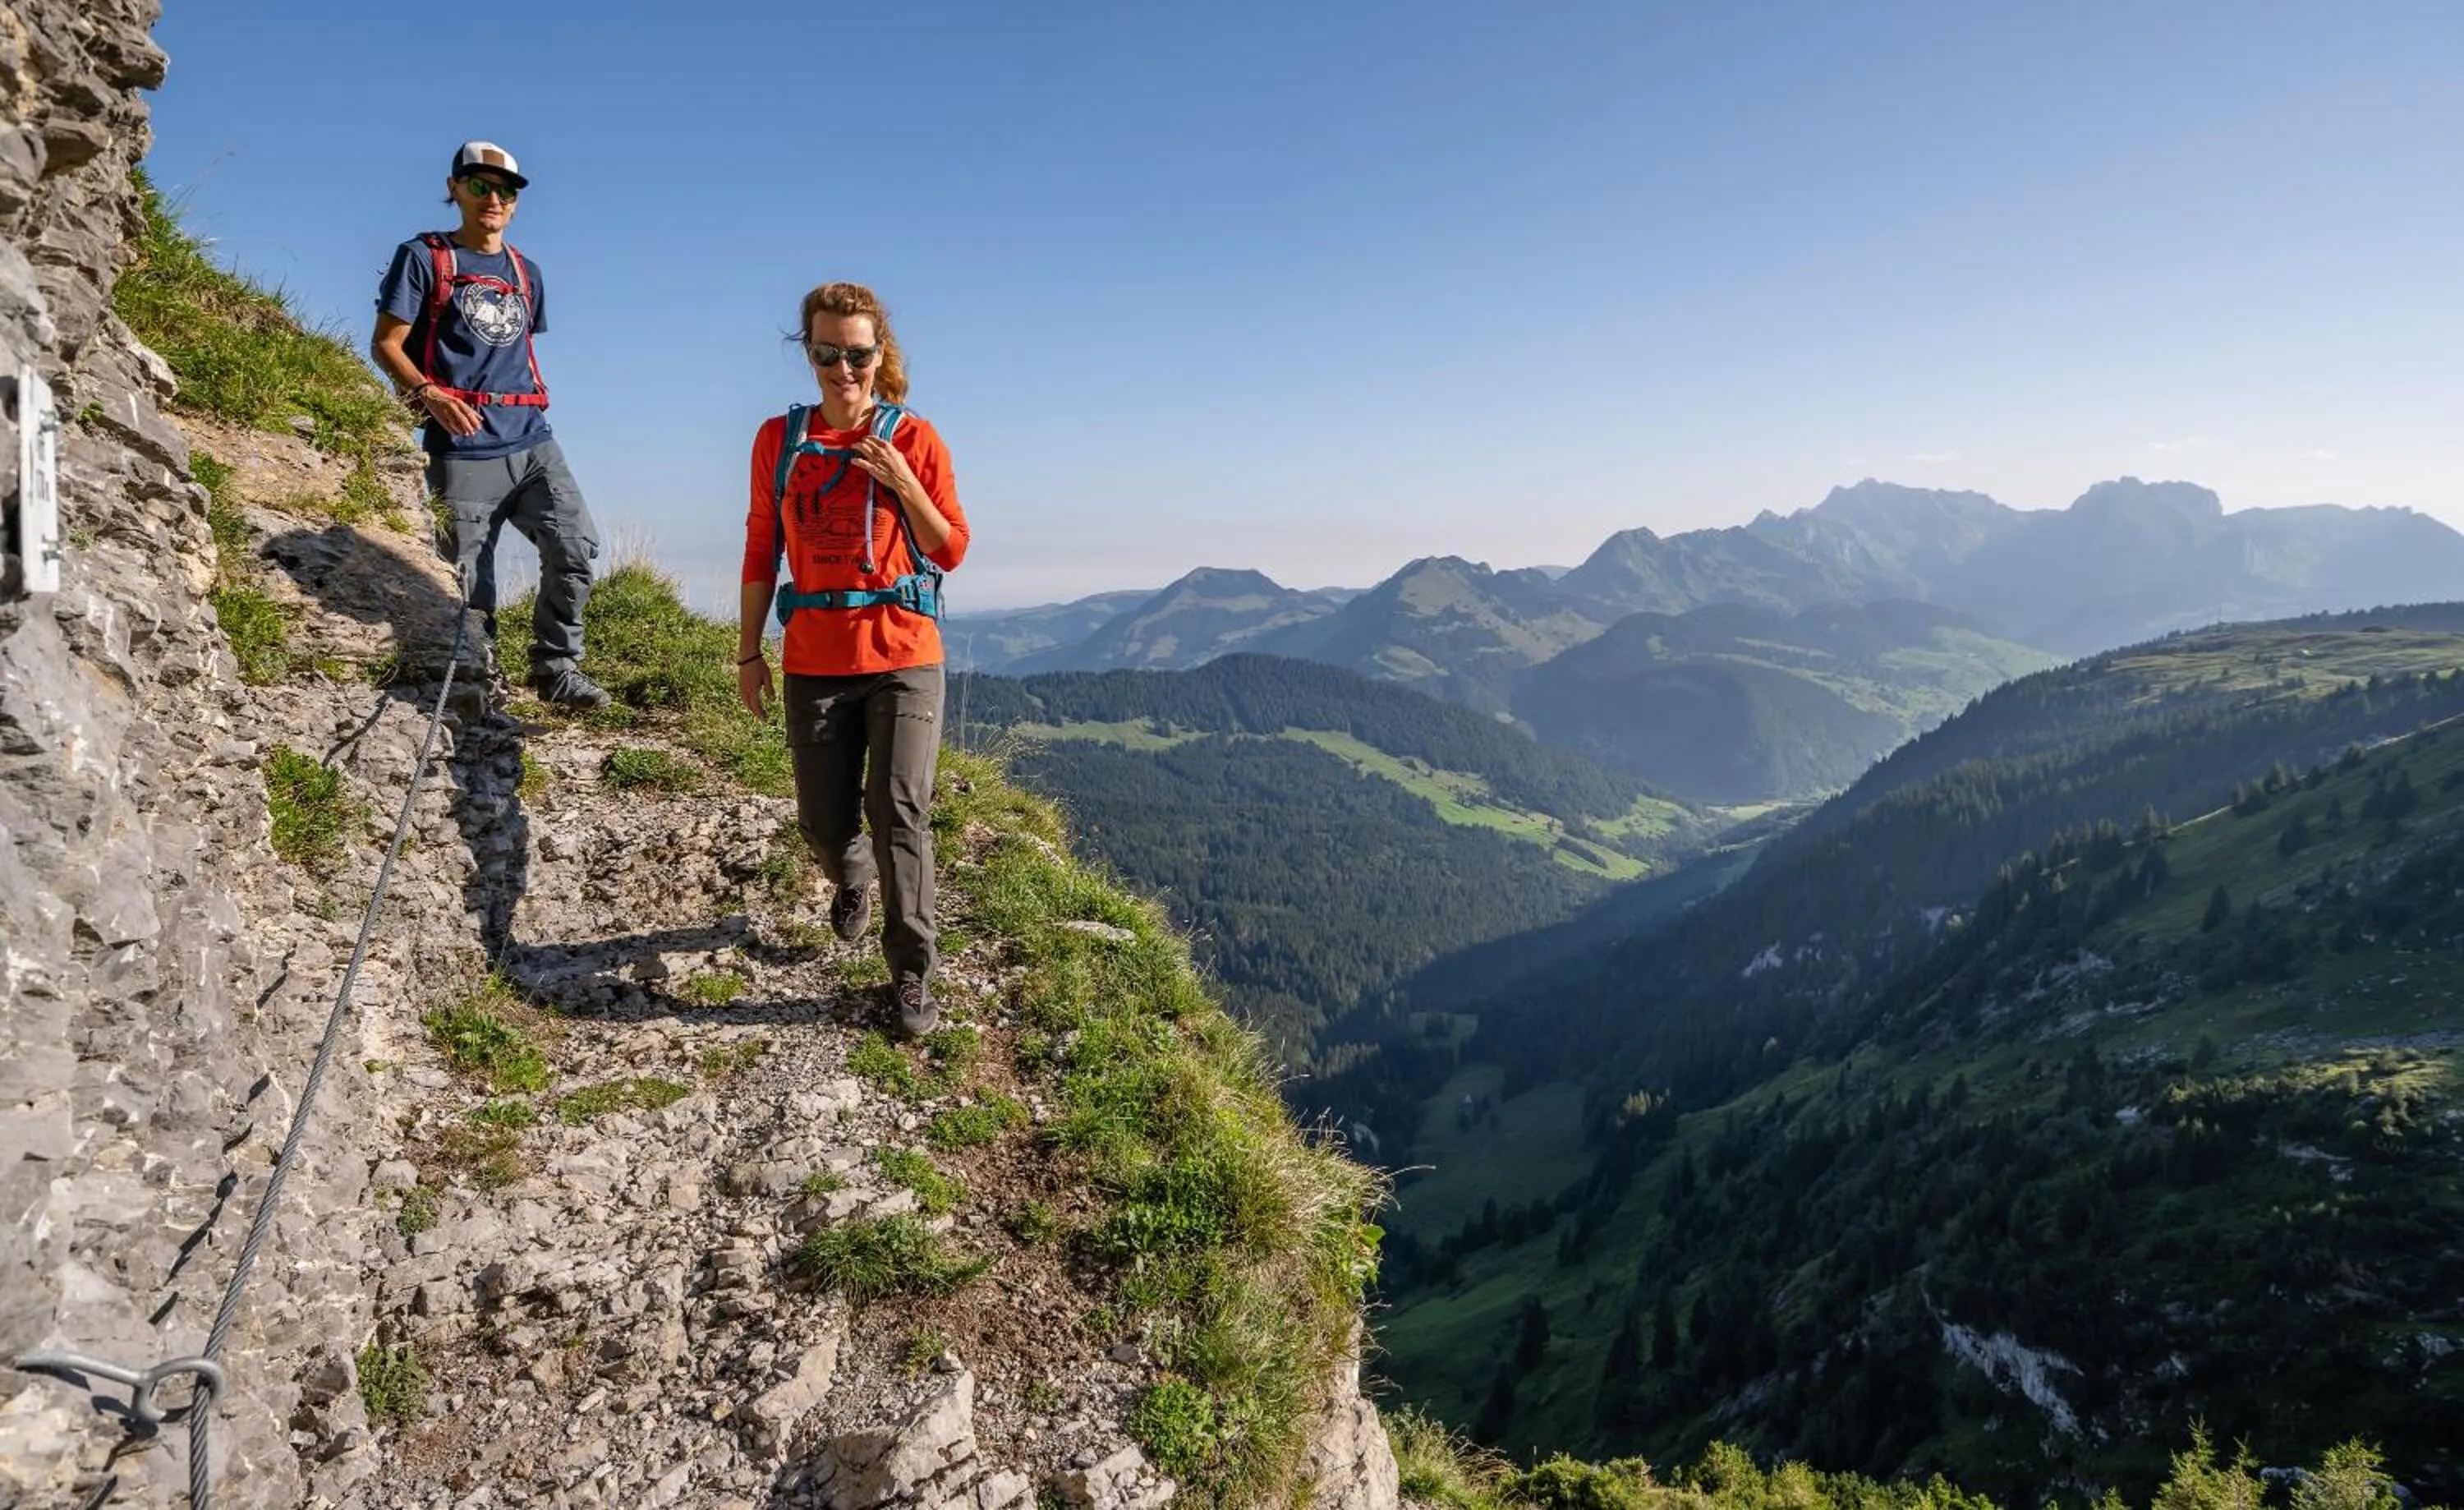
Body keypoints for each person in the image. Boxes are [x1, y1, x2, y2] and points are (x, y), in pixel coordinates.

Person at [738, 283, 970, 1036]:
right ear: (808, 353)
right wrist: (748, 653)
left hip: (905, 653)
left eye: (858, 354)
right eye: (828, 353)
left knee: (898, 809)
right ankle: (852, 878)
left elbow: (951, 548)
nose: (844, 369)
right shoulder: (780, 440)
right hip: (814, 657)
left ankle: (911, 977)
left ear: (880, 354)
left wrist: (902, 481)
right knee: (823, 825)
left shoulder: (917, 438)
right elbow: (760, 550)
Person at [369, 140, 609, 710]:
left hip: (532, 439)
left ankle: (556, 670)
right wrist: (428, 396)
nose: (493, 198)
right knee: (471, 583)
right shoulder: (425, 257)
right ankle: (483, 685)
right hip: (460, 447)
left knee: (575, 546)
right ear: (454, 189)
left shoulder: (527, 272)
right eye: (479, 186)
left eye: (505, 190)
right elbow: (385, 344)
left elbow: (512, 350)